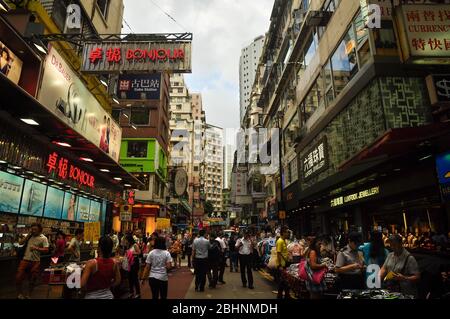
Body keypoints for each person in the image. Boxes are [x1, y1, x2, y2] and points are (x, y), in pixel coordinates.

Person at [15, 223, 49, 299]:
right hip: (25, 260)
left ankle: (28, 295)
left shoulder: (43, 238)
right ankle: (19, 294)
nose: (33, 231)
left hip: (35, 262)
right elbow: (20, 243)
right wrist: (28, 235)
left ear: (40, 230)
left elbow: (46, 249)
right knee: (18, 277)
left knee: (32, 279)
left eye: (35, 229)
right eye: (32, 229)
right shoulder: (29, 236)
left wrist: (36, 248)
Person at [276, 226, 291, 299]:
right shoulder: (280, 241)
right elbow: (278, 253)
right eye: (287, 232)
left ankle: (282, 295)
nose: (288, 234)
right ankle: (285, 295)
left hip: (284, 264)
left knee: (283, 281)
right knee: (284, 281)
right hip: (281, 264)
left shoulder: (284, 240)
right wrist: (280, 265)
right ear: (283, 233)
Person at [125, 234, 141, 298]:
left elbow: (139, 252)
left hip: (134, 262)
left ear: (129, 240)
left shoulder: (135, 245)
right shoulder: (128, 246)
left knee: (135, 278)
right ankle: (131, 292)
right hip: (129, 263)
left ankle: (138, 293)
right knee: (129, 278)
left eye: (126, 240)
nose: (125, 241)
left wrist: (133, 253)